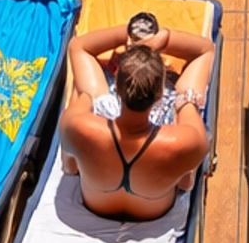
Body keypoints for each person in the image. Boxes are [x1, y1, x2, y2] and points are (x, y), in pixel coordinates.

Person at [58, 17, 214, 222]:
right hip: (154, 213)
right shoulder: (184, 140)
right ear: (159, 94)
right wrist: (163, 39)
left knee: (88, 95)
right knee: (188, 98)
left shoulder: (78, 126)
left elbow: (79, 46)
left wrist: (87, 95)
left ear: (118, 89)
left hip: (95, 206)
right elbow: (206, 50)